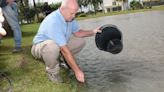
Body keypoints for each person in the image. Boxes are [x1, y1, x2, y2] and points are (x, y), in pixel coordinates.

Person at [31, 0, 101, 83]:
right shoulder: (54, 21)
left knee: (80, 41)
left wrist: (93, 32)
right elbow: (64, 50)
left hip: (57, 45)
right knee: (52, 47)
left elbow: (78, 33)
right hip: (40, 48)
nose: (74, 16)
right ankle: (53, 72)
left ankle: (61, 59)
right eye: (72, 13)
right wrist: (77, 71)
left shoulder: (70, 18)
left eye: (75, 13)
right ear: (63, 9)